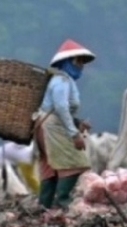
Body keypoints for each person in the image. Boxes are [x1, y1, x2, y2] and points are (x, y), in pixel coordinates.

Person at [33, 39, 96, 211]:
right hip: (51, 126)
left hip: (45, 124)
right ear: (67, 62)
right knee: (75, 161)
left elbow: (59, 108)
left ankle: (44, 206)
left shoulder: (64, 80)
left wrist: (77, 122)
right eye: (77, 61)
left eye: (82, 62)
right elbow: (60, 107)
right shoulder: (62, 80)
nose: (81, 65)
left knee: (50, 166)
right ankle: (62, 201)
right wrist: (74, 134)